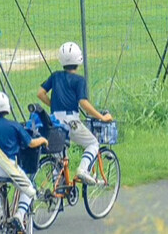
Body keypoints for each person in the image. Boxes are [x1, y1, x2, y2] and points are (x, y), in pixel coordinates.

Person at [37, 41, 112, 186]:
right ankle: (83, 170)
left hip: (54, 120)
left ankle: (57, 190)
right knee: (93, 143)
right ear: (79, 60)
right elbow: (83, 102)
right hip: (71, 121)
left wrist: (54, 105)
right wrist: (102, 117)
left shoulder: (55, 76)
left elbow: (40, 93)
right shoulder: (79, 80)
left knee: (59, 157)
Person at [0, 90, 46, 234]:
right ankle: (19, 215)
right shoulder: (14, 126)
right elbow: (31, 144)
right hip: (9, 167)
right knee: (28, 188)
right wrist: (43, 140)